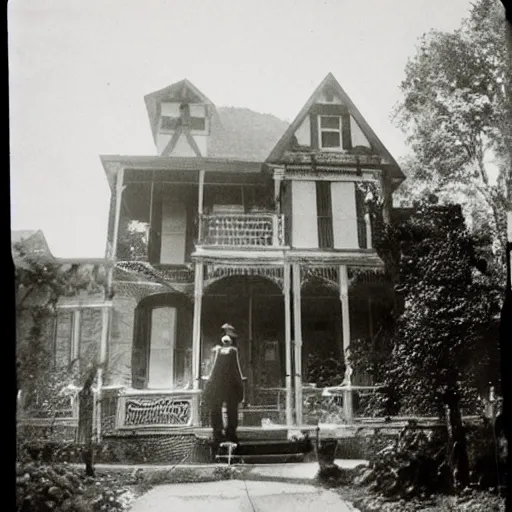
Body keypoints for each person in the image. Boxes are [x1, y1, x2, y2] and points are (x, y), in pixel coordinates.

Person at [203, 323, 244, 449]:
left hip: (228, 384)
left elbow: (237, 369)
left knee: (230, 409)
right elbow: (212, 368)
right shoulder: (218, 351)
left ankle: (229, 433)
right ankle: (219, 433)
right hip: (219, 383)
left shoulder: (232, 351)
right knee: (218, 409)